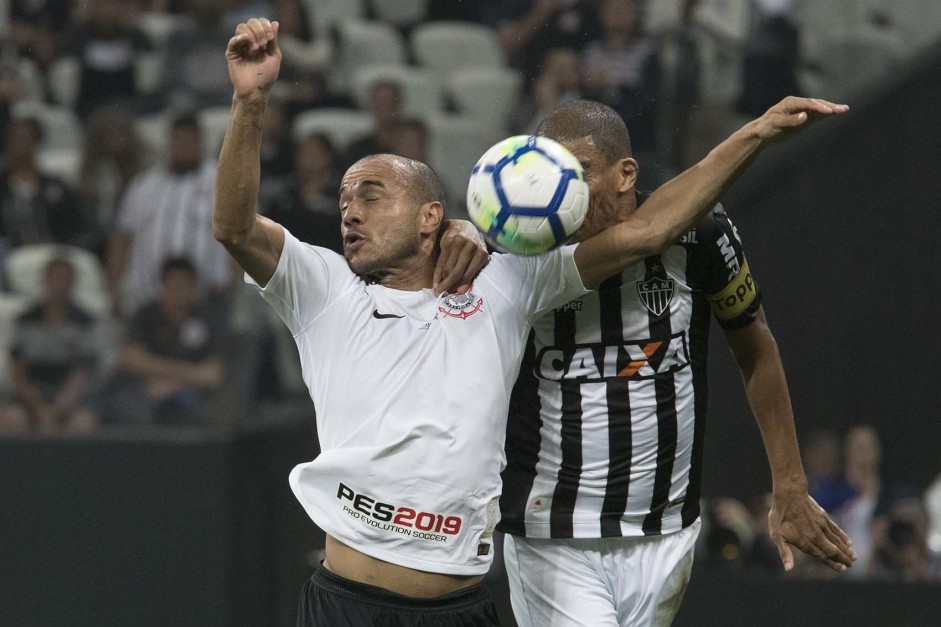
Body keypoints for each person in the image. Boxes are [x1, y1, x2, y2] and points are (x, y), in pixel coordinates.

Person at [215, 17, 848, 626]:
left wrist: (754, 134)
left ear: (432, 213)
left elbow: (653, 232)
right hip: (416, 581)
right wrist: (250, 104)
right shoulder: (326, 289)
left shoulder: (511, 280)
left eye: (371, 194)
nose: (349, 210)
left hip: (516, 585)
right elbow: (235, 227)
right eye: (345, 198)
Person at [497, 98, 856, 626]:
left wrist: (790, 486)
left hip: (665, 532)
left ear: (625, 174)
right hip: (553, 536)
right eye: (551, 174)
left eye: (578, 173)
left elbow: (755, 347)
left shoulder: (702, 232)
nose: (560, 191)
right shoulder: (520, 246)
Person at [107, 113, 233, 315]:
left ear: (201, 143)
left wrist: (235, 285)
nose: (183, 146)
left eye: (189, 141)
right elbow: (122, 236)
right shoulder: (144, 184)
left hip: (210, 300)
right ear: (169, 143)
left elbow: (242, 236)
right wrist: (114, 286)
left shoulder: (222, 181)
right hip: (148, 301)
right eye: (178, 140)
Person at [2, 257, 99, 432]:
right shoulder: (25, 321)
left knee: (84, 423)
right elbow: (18, 373)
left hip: (69, 398)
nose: (59, 286)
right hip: (32, 397)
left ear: (72, 283)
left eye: (64, 279)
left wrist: (57, 409)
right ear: (44, 281)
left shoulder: (86, 323)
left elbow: (83, 374)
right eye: (54, 279)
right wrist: (38, 407)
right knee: (11, 418)